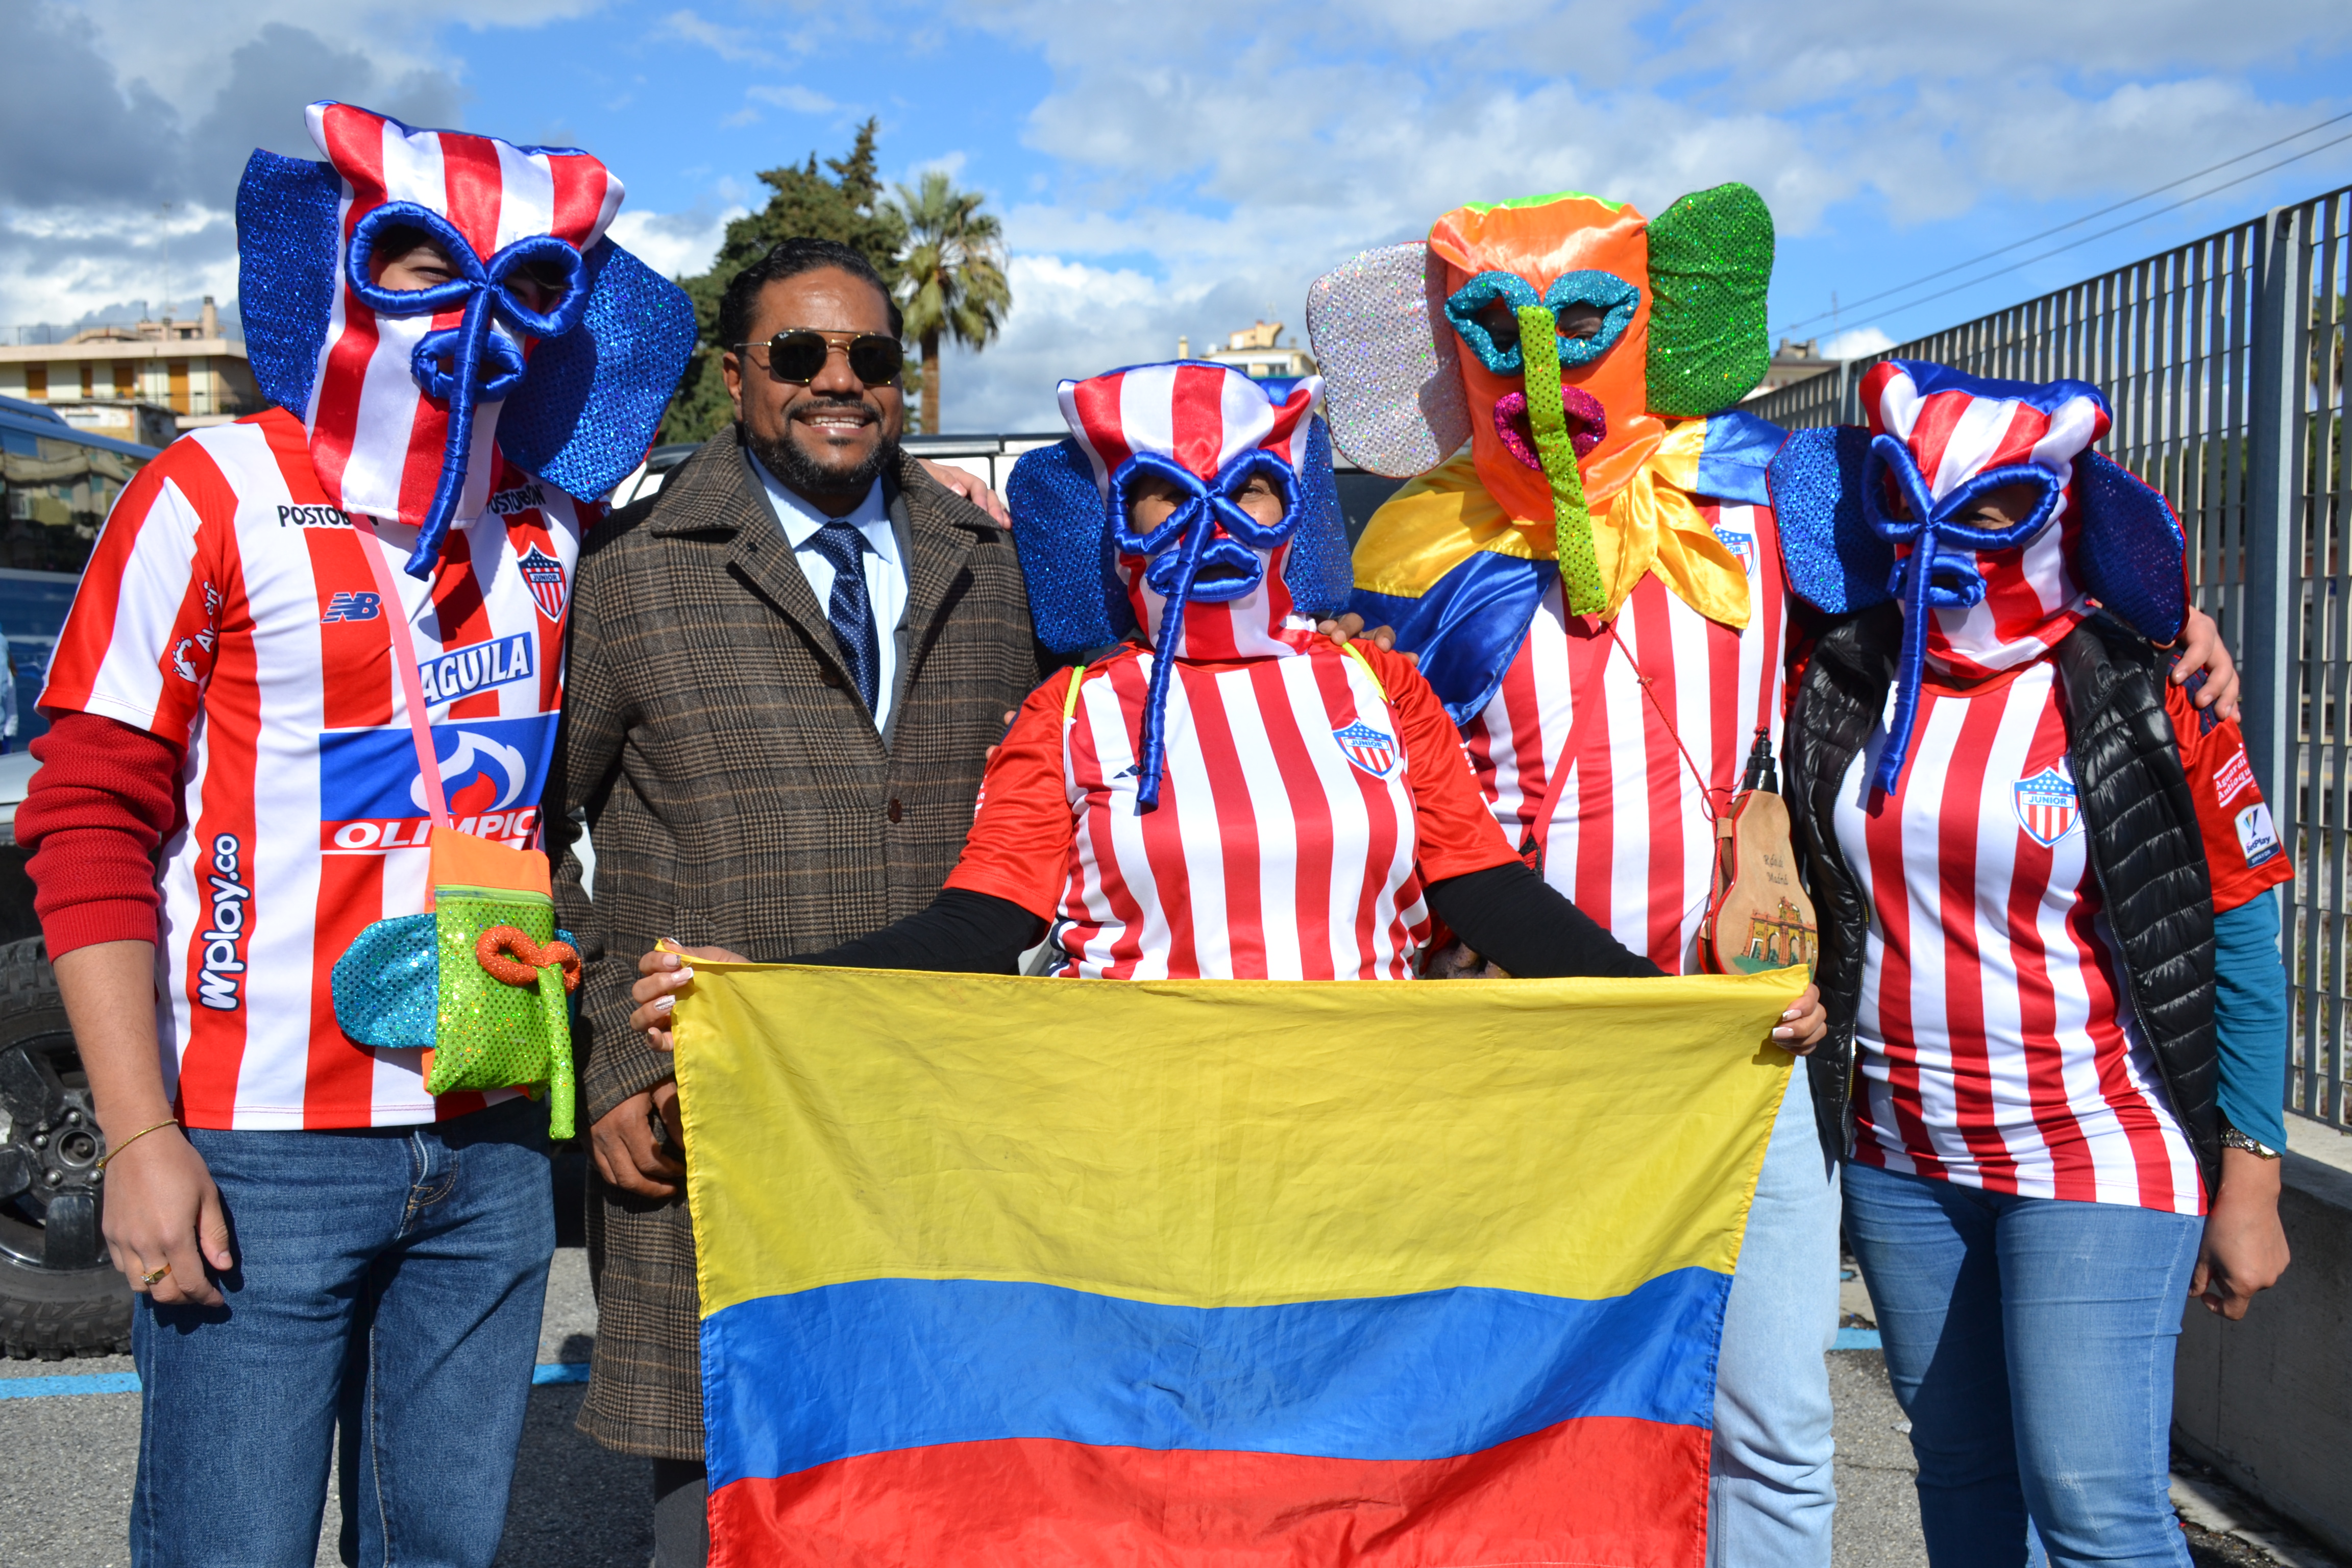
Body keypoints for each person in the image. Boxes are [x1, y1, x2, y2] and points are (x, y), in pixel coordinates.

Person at [1304, 190, 2246, 1567]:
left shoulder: (1765, 498)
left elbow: (1970, 538)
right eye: (1497, 330)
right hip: (1517, 1049)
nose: (1545, 369)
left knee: (1777, 1429)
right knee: (1518, 1423)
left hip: (1745, 1043)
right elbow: (1360, 774)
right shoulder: (1415, 549)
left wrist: (2158, 616)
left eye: (1585, 321)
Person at [18, 103, 695, 1567]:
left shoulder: (551, 521)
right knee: (230, 1550)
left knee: (440, 1550)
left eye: (527, 282)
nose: (477, 316)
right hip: (259, 1147)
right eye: (425, 265)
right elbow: (85, 819)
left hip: (491, 1137)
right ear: (341, 264)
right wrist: (138, 1135)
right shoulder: (209, 488)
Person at [627, 358, 1784, 1002]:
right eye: (1164, 499)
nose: (1211, 528)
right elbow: (982, 925)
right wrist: (768, 989)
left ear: (1294, 508)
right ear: (1113, 530)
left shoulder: (1382, 690)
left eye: (1249, 491)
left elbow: (1490, 898)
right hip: (1140, 1139)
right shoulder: (1071, 714)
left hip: (1372, 1129)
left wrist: (1687, 1011)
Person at [549, 235, 1046, 1567]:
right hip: (714, 1117)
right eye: (799, 353)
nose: (839, 380)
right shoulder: (631, 568)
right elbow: (527, 828)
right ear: (736, 377)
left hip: (949, 1118)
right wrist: (607, 1060)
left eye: (869, 355)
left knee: (953, 1503)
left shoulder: (994, 565)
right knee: (722, 1517)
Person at [1773, 361, 2289, 1568]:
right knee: (1962, 1482)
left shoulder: (2152, 682)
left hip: (2095, 1144)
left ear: (2064, 506)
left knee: (2097, 1512)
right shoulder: (1837, 669)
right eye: (1915, 499)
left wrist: (2255, 1175)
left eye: (1994, 507)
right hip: (1904, 1158)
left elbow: (2241, 930)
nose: (1949, 535)